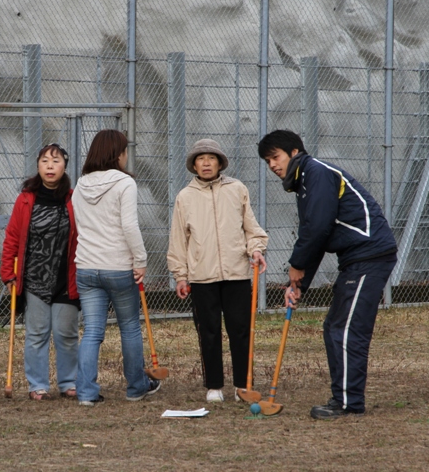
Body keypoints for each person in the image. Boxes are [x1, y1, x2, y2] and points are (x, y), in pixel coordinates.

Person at [258, 129, 397, 419]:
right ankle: (342, 398)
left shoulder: (316, 172)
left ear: (294, 153)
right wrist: (299, 283)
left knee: (347, 331)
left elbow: (317, 228)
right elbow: (317, 235)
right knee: (334, 327)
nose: (272, 165)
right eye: (267, 161)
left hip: (369, 255)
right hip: (355, 259)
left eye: (275, 157)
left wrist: (296, 264)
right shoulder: (304, 182)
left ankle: (348, 404)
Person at [167, 139, 268, 404]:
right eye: (201, 159)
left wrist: (256, 249)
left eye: (211, 158)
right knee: (208, 331)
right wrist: (180, 275)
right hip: (202, 277)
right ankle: (213, 386)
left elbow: (251, 228)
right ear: (193, 165)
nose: (206, 163)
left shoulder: (237, 189)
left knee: (241, 330)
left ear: (220, 162)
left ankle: (242, 385)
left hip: (237, 274)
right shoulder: (185, 197)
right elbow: (178, 239)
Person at [72, 129, 160, 405]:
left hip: (86, 267)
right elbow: (129, 226)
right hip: (119, 266)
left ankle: (86, 392)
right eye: (124, 151)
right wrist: (141, 260)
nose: (126, 156)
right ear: (118, 154)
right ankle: (136, 387)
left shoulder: (81, 184)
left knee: (93, 330)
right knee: (130, 327)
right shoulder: (125, 183)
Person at [0, 143, 80, 401]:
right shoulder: (25, 199)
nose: (50, 166)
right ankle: (38, 385)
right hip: (33, 277)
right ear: (37, 165)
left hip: (65, 278)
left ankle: (69, 382)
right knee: (37, 332)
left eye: (56, 161)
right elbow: (12, 236)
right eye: (45, 161)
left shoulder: (73, 198)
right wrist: (7, 273)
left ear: (64, 166)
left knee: (66, 332)